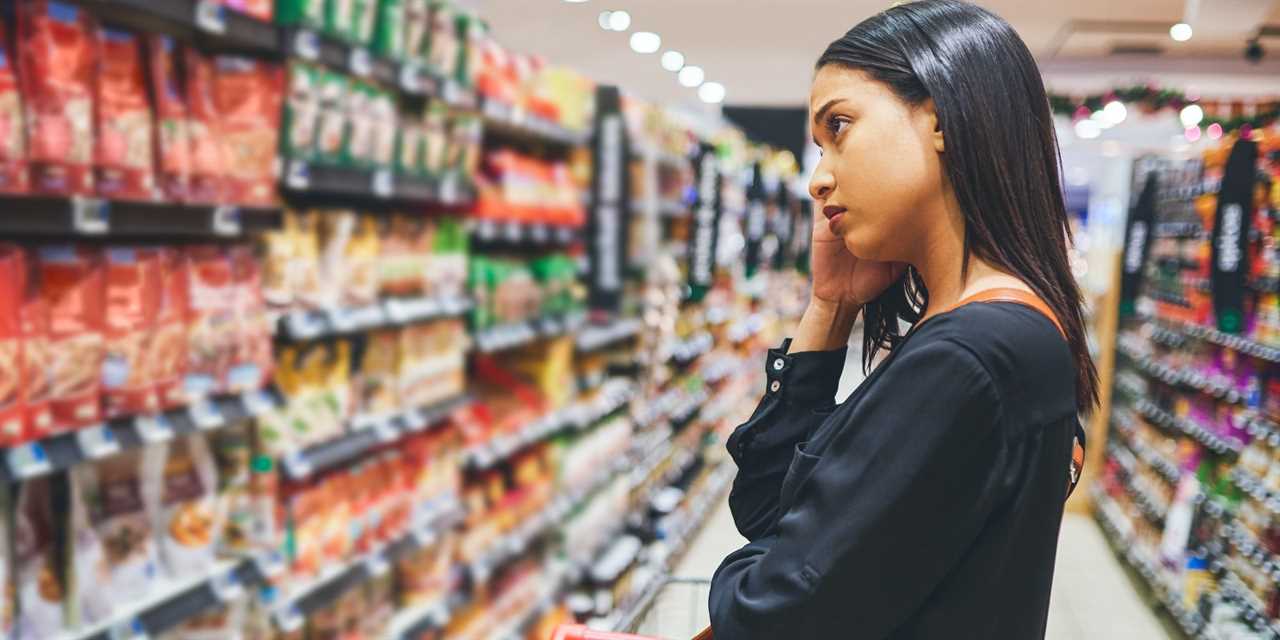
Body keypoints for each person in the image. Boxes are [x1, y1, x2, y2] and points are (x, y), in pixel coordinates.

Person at [707, 2, 1097, 638]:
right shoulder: (991, 328)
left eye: (840, 126)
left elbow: (768, 615)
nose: (818, 179)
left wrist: (755, 572)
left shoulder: (971, 355)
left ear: (941, 118)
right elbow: (766, 503)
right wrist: (830, 307)